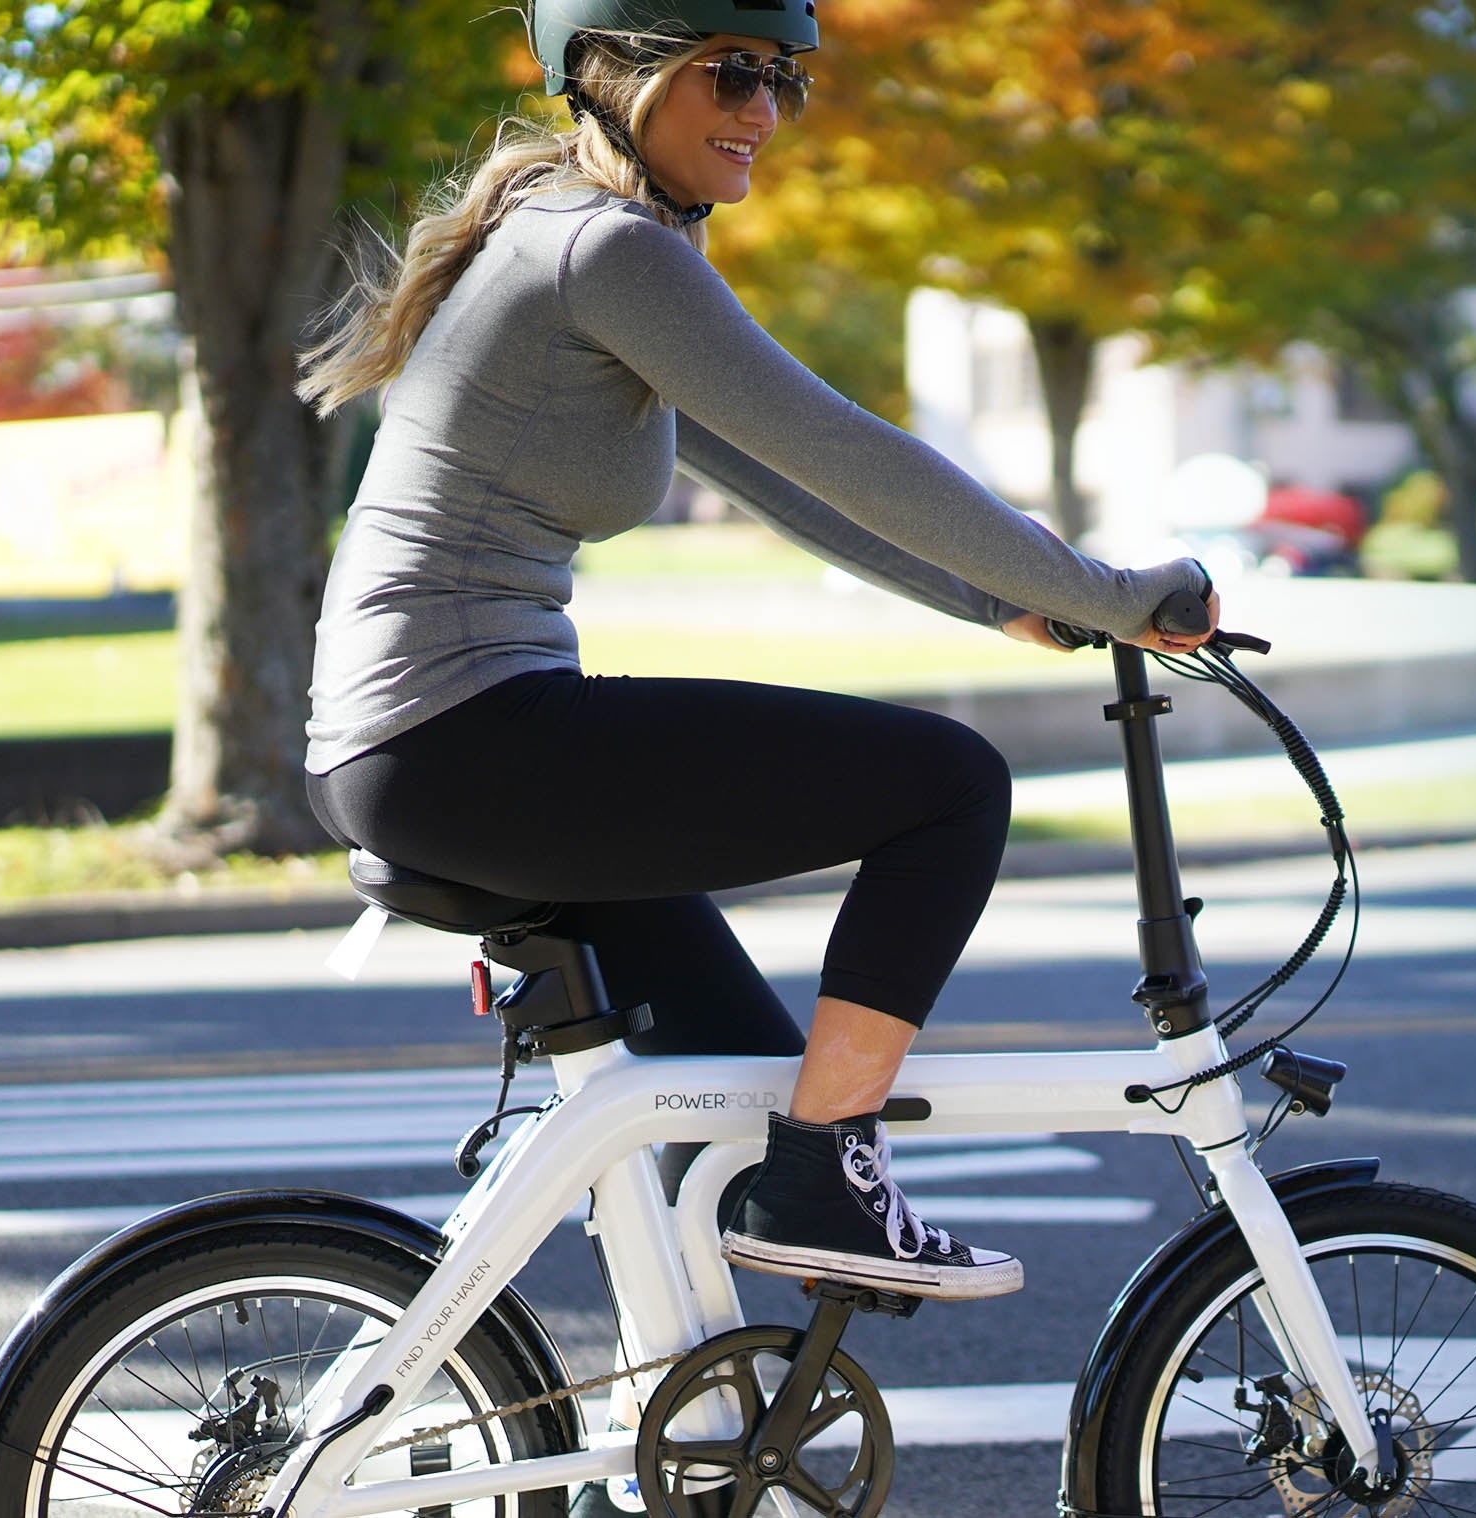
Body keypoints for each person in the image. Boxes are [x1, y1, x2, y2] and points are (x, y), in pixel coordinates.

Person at [293, 0, 1217, 1304]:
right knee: (951, 785)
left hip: (431, 748)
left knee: (733, 1124)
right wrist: (1113, 594)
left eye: (784, 81)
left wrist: (998, 601)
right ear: (623, 74)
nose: (763, 112)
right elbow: (851, 451)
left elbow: (798, 488)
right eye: (731, 74)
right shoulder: (609, 253)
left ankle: (682, 1418)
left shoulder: (574, 238)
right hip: (462, 739)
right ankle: (826, 1170)